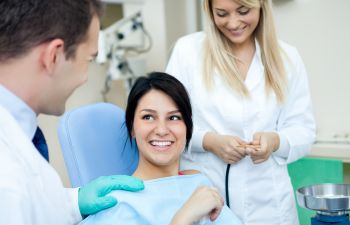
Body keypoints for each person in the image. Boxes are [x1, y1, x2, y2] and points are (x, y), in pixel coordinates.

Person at [166, 0, 316, 224]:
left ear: (261, 6)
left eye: (243, 11)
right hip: (206, 200)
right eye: (222, 14)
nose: (233, 23)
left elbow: (303, 129)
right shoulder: (188, 52)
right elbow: (169, 121)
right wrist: (209, 141)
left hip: (270, 207)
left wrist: (274, 141)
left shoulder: (288, 57)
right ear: (209, 11)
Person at [0, 1, 144, 224]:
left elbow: (33, 204)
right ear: (54, 55)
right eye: (88, 59)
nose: (84, 77)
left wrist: (75, 202)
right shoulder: (7, 178)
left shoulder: (15, 135)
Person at [79, 72, 243, 225]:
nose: (162, 130)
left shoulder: (199, 184)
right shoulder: (118, 205)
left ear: (187, 128)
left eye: (174, 117)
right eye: (148, 117)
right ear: (132, 128)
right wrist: (183, 219)